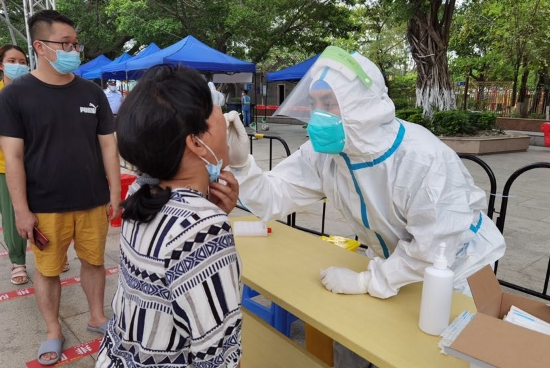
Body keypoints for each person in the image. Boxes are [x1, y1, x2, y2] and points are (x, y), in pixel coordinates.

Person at [225, 46, 506, 367]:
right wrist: (242, 163)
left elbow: (433, 247)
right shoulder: (326, 155)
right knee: (359, 341)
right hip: (390, 262)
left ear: (361, 104)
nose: (318, 114)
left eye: (329, 103)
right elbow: (272, 196)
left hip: (457, 269)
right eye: (315, 103)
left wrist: (365, 282)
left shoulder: (422, 157)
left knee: (439, 356)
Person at [96, 65, 242, 368]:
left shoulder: (142, 188)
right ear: (196, 142)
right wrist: (208, 222)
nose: (226, 119)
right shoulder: (202, 227)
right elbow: (218, 352)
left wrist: (209, 210)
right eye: (217, 110)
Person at [0, 10, 121, 366]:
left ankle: (97, 316)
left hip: (92, 199)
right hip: (45, 205)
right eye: (64, 43)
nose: (73, 49)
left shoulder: (92, 92)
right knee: (49, 270)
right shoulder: (14, 96)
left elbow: (108, 146)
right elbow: (14, 156)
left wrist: (115, 191)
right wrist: (21, 210)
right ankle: (53, 329)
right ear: (40, 46)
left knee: (94, 262)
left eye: (74, 43)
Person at [0, 44, 31, 285]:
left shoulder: (34, 91)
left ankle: (52, 252)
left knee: (45, 209)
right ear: (1, 65)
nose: (18, 66)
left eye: (22, 61)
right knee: (13, 214)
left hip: (36, 162)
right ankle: (18, 261)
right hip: (5, 166)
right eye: (12, 61)